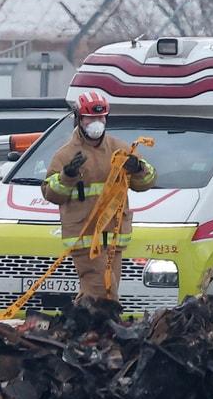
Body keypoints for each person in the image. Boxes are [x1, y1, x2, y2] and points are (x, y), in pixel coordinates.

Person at [42, 91, 156, 301]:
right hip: (85, 240)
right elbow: (51, 193)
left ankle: (77, 328)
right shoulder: (65, 155)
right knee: (104, 293)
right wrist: (67, 176)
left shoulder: (120, 149)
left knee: (95, 296)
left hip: (114, 238)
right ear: (79, 119)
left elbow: (147, 182)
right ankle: (107, 330)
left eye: (100, 117)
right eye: (91, 118)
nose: (96, 123)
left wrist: (138, 168)